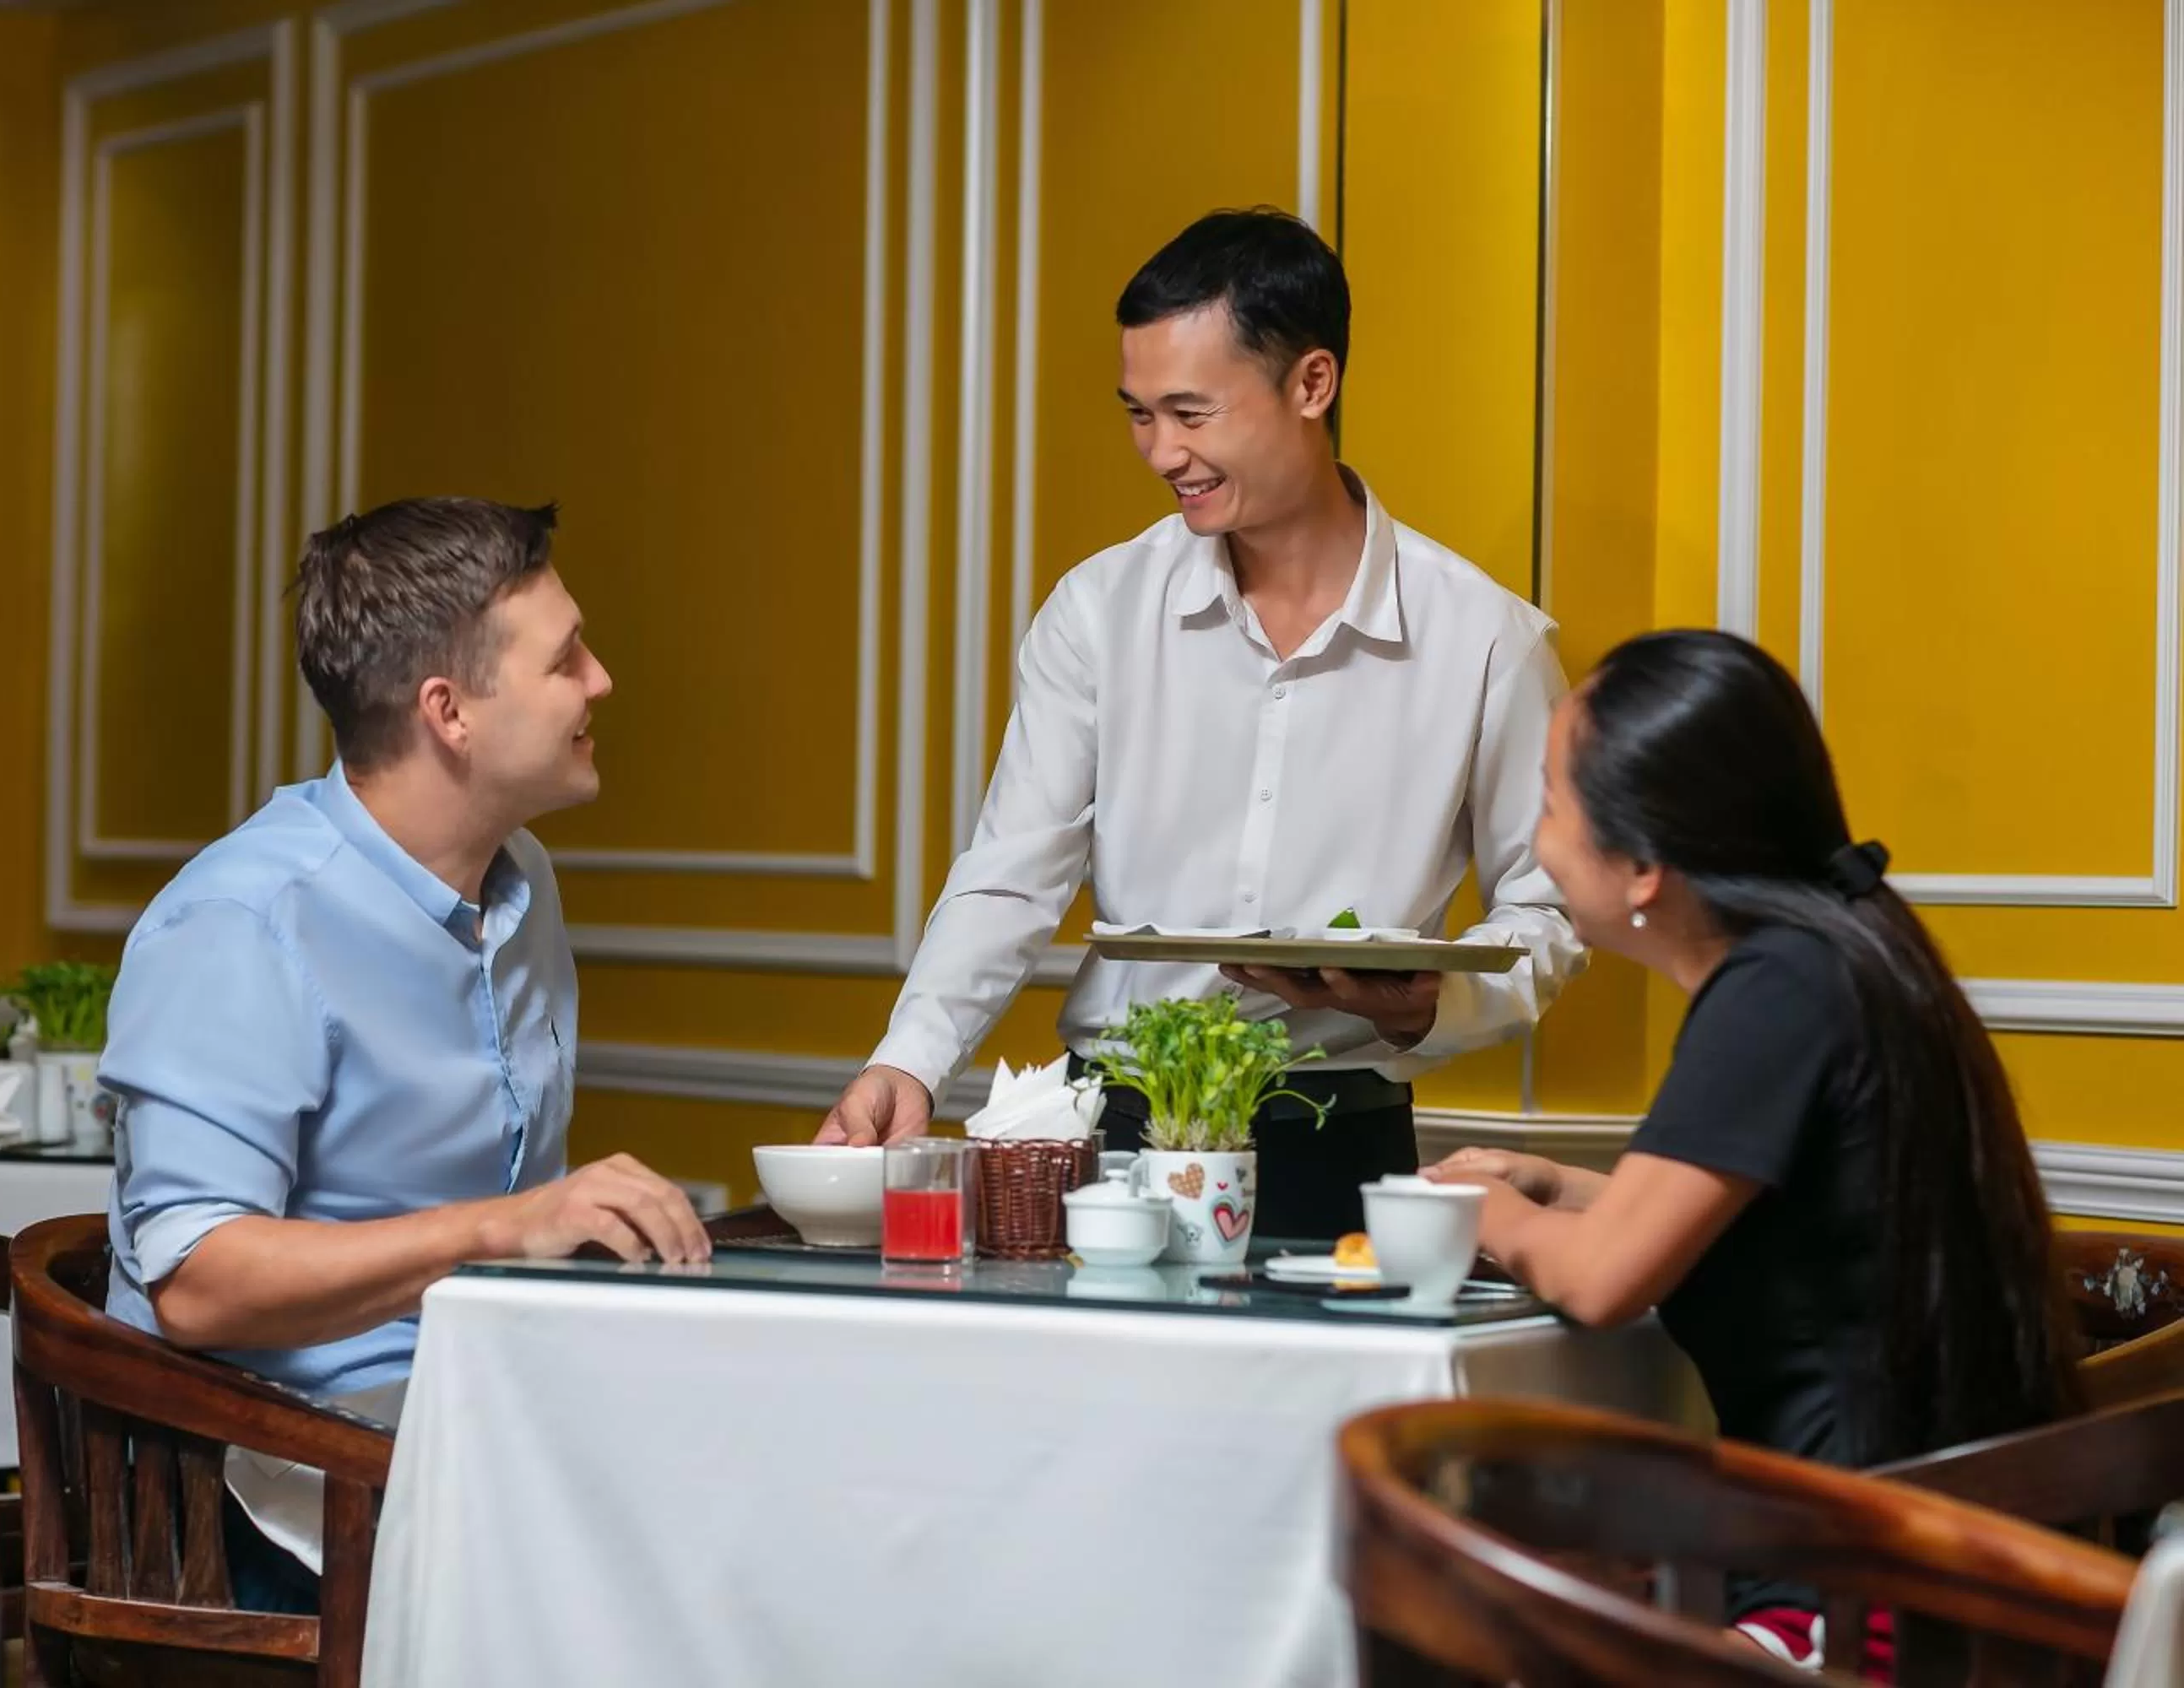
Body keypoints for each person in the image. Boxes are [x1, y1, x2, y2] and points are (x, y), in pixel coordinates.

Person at [817, 208, 1583, 1238]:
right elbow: (1013, 865)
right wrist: (908, 1057)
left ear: (1312, 384)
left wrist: (1428, 1005)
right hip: (1118, 1133)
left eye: (1191, 412)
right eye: (1140, 414)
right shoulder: (1097, 608)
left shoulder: (1487, 639)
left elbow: (1546, 913)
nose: (1161, 451)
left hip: (1339, 1141)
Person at [1426, 628, 2080, 1672]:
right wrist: (1552, 1182)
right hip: (1922, 1548)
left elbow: (1600, 1283)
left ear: (1643, 864)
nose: (1536, 839)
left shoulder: (1772, 992)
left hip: (1857, 1593)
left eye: (1549, 802)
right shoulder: (1839, 944)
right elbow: (1775, 1212)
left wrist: (1476, 1213)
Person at [100, 496, 711, 1610]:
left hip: (474, 1431)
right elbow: (193, 1284)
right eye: (565, 658)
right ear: (451, 713)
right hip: (268, 1492)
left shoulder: (524, 885)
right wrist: (502, 1230)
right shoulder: (244, 921)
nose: (602, 682)